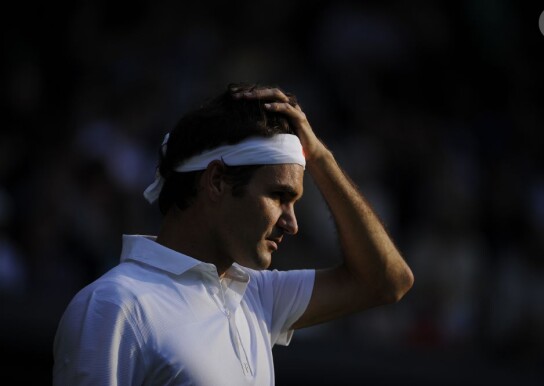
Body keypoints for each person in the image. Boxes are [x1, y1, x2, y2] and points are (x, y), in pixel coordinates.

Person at [52, 83, 414, 385]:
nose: (292, 223)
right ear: (216, 181)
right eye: (279, 196)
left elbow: (388, 281)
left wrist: (318, 155)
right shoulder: (114, 305)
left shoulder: (257, 296)